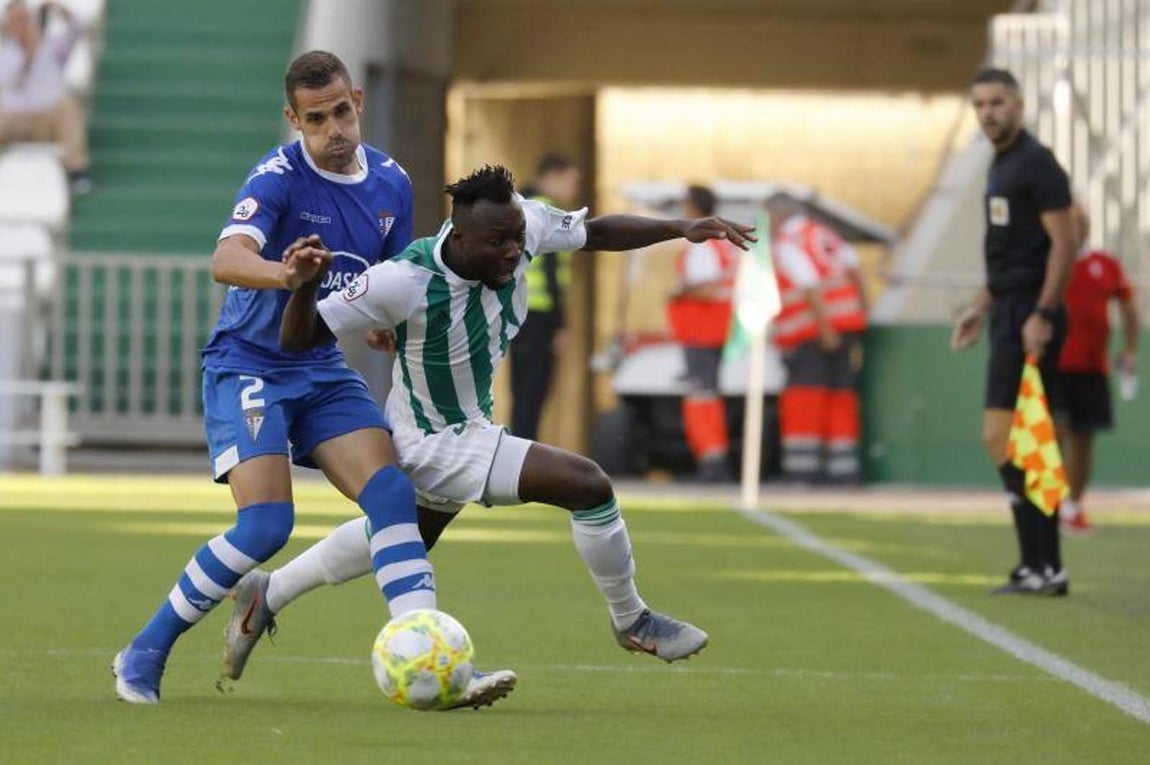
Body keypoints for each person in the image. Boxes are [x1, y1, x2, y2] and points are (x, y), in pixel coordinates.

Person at [219, 165, 756, 687]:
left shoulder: (524, 225)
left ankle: (269, 593)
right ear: (459, 236)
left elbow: (596, 233)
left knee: (403, 535)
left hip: (469, 422)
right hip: (432, 440)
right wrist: (305, 286)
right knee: (588, 485)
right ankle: (631, 619)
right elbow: (300, 337)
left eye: (516, 239)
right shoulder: (403, 280)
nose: (512, 252)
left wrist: (679, 229)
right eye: (497, 242)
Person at [110, 51, 503, 708]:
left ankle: (431, 653)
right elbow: (226, 257)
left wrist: (383, 324)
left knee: (390, 495)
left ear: (357, 99)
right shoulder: (277, 178)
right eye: (315, 119)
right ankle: (144, 650)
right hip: (250, 365)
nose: (333, 129)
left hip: (320, 366)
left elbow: (386, 276)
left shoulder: (392, 182)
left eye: (341, 112)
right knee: (265, 526)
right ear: (294, 119)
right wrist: (285, 275)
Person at [951, 67, 1076, 596]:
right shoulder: (1002, 165)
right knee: (1014, 442)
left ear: (1019, 105)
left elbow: (1064, 245)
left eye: (997, 102)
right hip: (1007, 310)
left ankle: (1045, 566)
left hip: (1030, 315)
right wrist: (981, 305)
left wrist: (1042, 314)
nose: (988, 113)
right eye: (979, 104)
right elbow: (1009, 256)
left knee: (1018, 439)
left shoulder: (1038, 164)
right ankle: (1038, 567)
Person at [767, 193, 867, 485]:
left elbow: (809, 285)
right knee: (841, 397)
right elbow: (854, 269)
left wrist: (825, 329)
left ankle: (802, 471)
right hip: (847, 325)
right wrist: (862, 312)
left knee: (805, 399)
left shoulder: (789, 243)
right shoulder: (823, 233)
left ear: (777, 215)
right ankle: (843, 471)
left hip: (815, 332)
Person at [1057, 202, 1139, 535]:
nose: (1076, 229)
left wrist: (1130, 348)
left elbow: (1128, 305)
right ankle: (1050, 504)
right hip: (1055, 365)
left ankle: (1074, 506)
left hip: (1092, 368)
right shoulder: (1050, 262)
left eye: (1081, 223)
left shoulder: (1104, 265)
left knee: (1084, 438)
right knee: (1054, 431)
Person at [666, 184, 738, 482]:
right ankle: (715, 457)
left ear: (692, 207)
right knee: (707, 395)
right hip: (716, 329)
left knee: (701, 397)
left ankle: (712, 460)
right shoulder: (723, 242)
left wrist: (680, 290)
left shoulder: (703, 245)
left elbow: (706, 288)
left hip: (701, 330)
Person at [509, 152, 581, 441]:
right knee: (535, 391)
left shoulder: (517, 207)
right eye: (571, 181)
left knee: (520, 389)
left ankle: (516, 447)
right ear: (551, 176)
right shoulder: (548, 212)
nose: (574, 189)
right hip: (541, 317)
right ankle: (526, 450)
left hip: (516, 314)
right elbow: (551, 273)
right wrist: (560, 325)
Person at [0, 0, 90, 194]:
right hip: (14, 119)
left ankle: (78, 172)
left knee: (68, 108)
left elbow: (77, 31)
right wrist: (29, 53)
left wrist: (59, 10)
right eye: (16, 20)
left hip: (48, 119)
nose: (22, 25)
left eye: (24, 19)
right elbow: (13, 79)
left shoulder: (52, 46)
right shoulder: (5, 53)